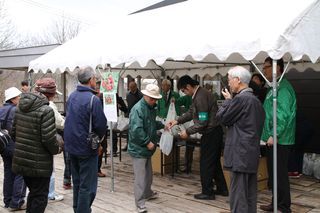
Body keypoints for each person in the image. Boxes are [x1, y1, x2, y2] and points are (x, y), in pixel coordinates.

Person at [166, 75, 228, 200]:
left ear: (188, 86)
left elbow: (202, 122)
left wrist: (187, 132)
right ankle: (222, 189)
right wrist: (177, 121)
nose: (184, 93)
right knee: (214, 162)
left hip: (211, 133)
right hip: (214, 131)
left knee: (205, 162)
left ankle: (207, 192)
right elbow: (190, 112)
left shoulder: (200, 97)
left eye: (184, 91)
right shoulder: (199, 94)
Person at [216, 66, 265, 212]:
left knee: (238, 196)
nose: (229, 83)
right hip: (251, 153)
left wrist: (228, 102)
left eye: (230, 79)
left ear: (238, 80)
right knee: (249, 195)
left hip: (239, 154)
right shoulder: (256, 101)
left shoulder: (241, 99)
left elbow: (222, 118)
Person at [12, 86, 62, 213]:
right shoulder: (46, 110)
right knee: (39, 197)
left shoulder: (19, 107)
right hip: (39, 163)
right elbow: (48, 140)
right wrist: (58, 148)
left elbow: (14, 133)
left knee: (34, 193)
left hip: (22, 160)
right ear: (50, 95)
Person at [64, 66, 107, 213]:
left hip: (71, 147)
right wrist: (99, 142)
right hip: (86, 148)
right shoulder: (93, 100)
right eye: (95, 78)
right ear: (90, 80)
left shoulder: (71, 96)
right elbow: (101, 125)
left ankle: (78, 209)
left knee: (77, 183)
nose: (96, 81)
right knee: (87, 187)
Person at [259, 57, 297, 213]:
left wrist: (274, 134)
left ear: (277, 68)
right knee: (274, 173)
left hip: (281, 139)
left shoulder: (284, 89)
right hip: (273, 139)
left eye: (266, 67)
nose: (264, 70)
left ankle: (283, 207)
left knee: (279, 174)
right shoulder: (274, 87)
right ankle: (276, 202)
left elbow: (282, 115)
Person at [128, 84, 164, 213]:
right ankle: (140, 204)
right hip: (139, 149)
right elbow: (136, 130)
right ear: (145, 96)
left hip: (147, 148)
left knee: (148, 175)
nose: (154, 101)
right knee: (140, 178)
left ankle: (147, 193)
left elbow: (152, 123)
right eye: (152, 99)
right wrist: (147, 142)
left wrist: (163, 125)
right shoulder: (138, 109)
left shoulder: (150, 107)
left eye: (155, 99)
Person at [34, 78, 65, 202]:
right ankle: (50, 193)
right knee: (49, 169)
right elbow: (59, 123)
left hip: (28, 145)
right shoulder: (49, 106)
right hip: (43, 146)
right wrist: (56, 148)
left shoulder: (25, 104)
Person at [0, 87, 27, 211]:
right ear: (13, 99)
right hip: (16, 146)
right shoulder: (17, 111)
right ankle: (16, 202)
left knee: (8, 173)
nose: (20, 99)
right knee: (20, 173)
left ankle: (7, 201)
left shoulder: (1, 110)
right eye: (18, 97)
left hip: (4, 146)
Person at [123, 81, 143, 151]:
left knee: (137, 131)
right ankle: (128, 144)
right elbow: (129, 105)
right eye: (129, 87)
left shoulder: (140, 95)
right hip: (130, 115)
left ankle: (136, 145)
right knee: (129, 131)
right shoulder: (128, 94)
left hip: (138, 116)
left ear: (135, 87)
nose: (130, 89)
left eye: (131, 87)